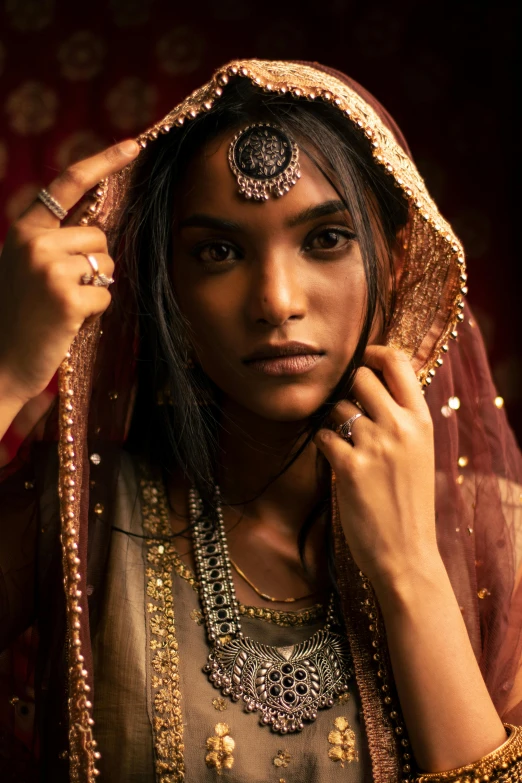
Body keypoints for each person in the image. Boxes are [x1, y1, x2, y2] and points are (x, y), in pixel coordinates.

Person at [0, 59, 521, 783]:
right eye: (219, 252)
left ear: (398, 260)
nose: (276, 300)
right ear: (170, 287)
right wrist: (4, 373)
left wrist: (410, 572)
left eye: (326, 239)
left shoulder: (499, 532)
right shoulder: (85, 507)